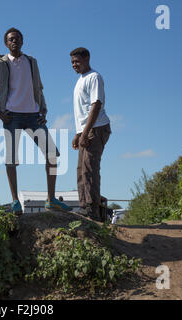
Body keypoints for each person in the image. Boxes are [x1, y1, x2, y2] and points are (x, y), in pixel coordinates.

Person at [0, 27, 71, 215]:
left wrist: (44, 108)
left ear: (22, 41)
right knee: (11, 160)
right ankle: (15, 201)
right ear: (6, 43)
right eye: (10, 39)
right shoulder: (0, 64)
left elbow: (39, 87)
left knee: (52, 155)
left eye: (17, 39)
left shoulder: (32, 62)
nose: (14, 41)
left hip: (33, 115)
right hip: (11, 116)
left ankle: (51, 199)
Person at [70, 47, 111, 221]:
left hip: (97, 128)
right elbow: (82, 110)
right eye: (72, 62)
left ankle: (93, 210)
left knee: (90, 169)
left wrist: (85, 132)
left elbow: (96, 105)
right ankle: (84, 206)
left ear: (87, 59)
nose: (74, 65)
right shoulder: (80, 80)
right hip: (85, 131)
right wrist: (78, 134)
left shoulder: (94, 77)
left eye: (77, 61)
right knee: (81, 170)